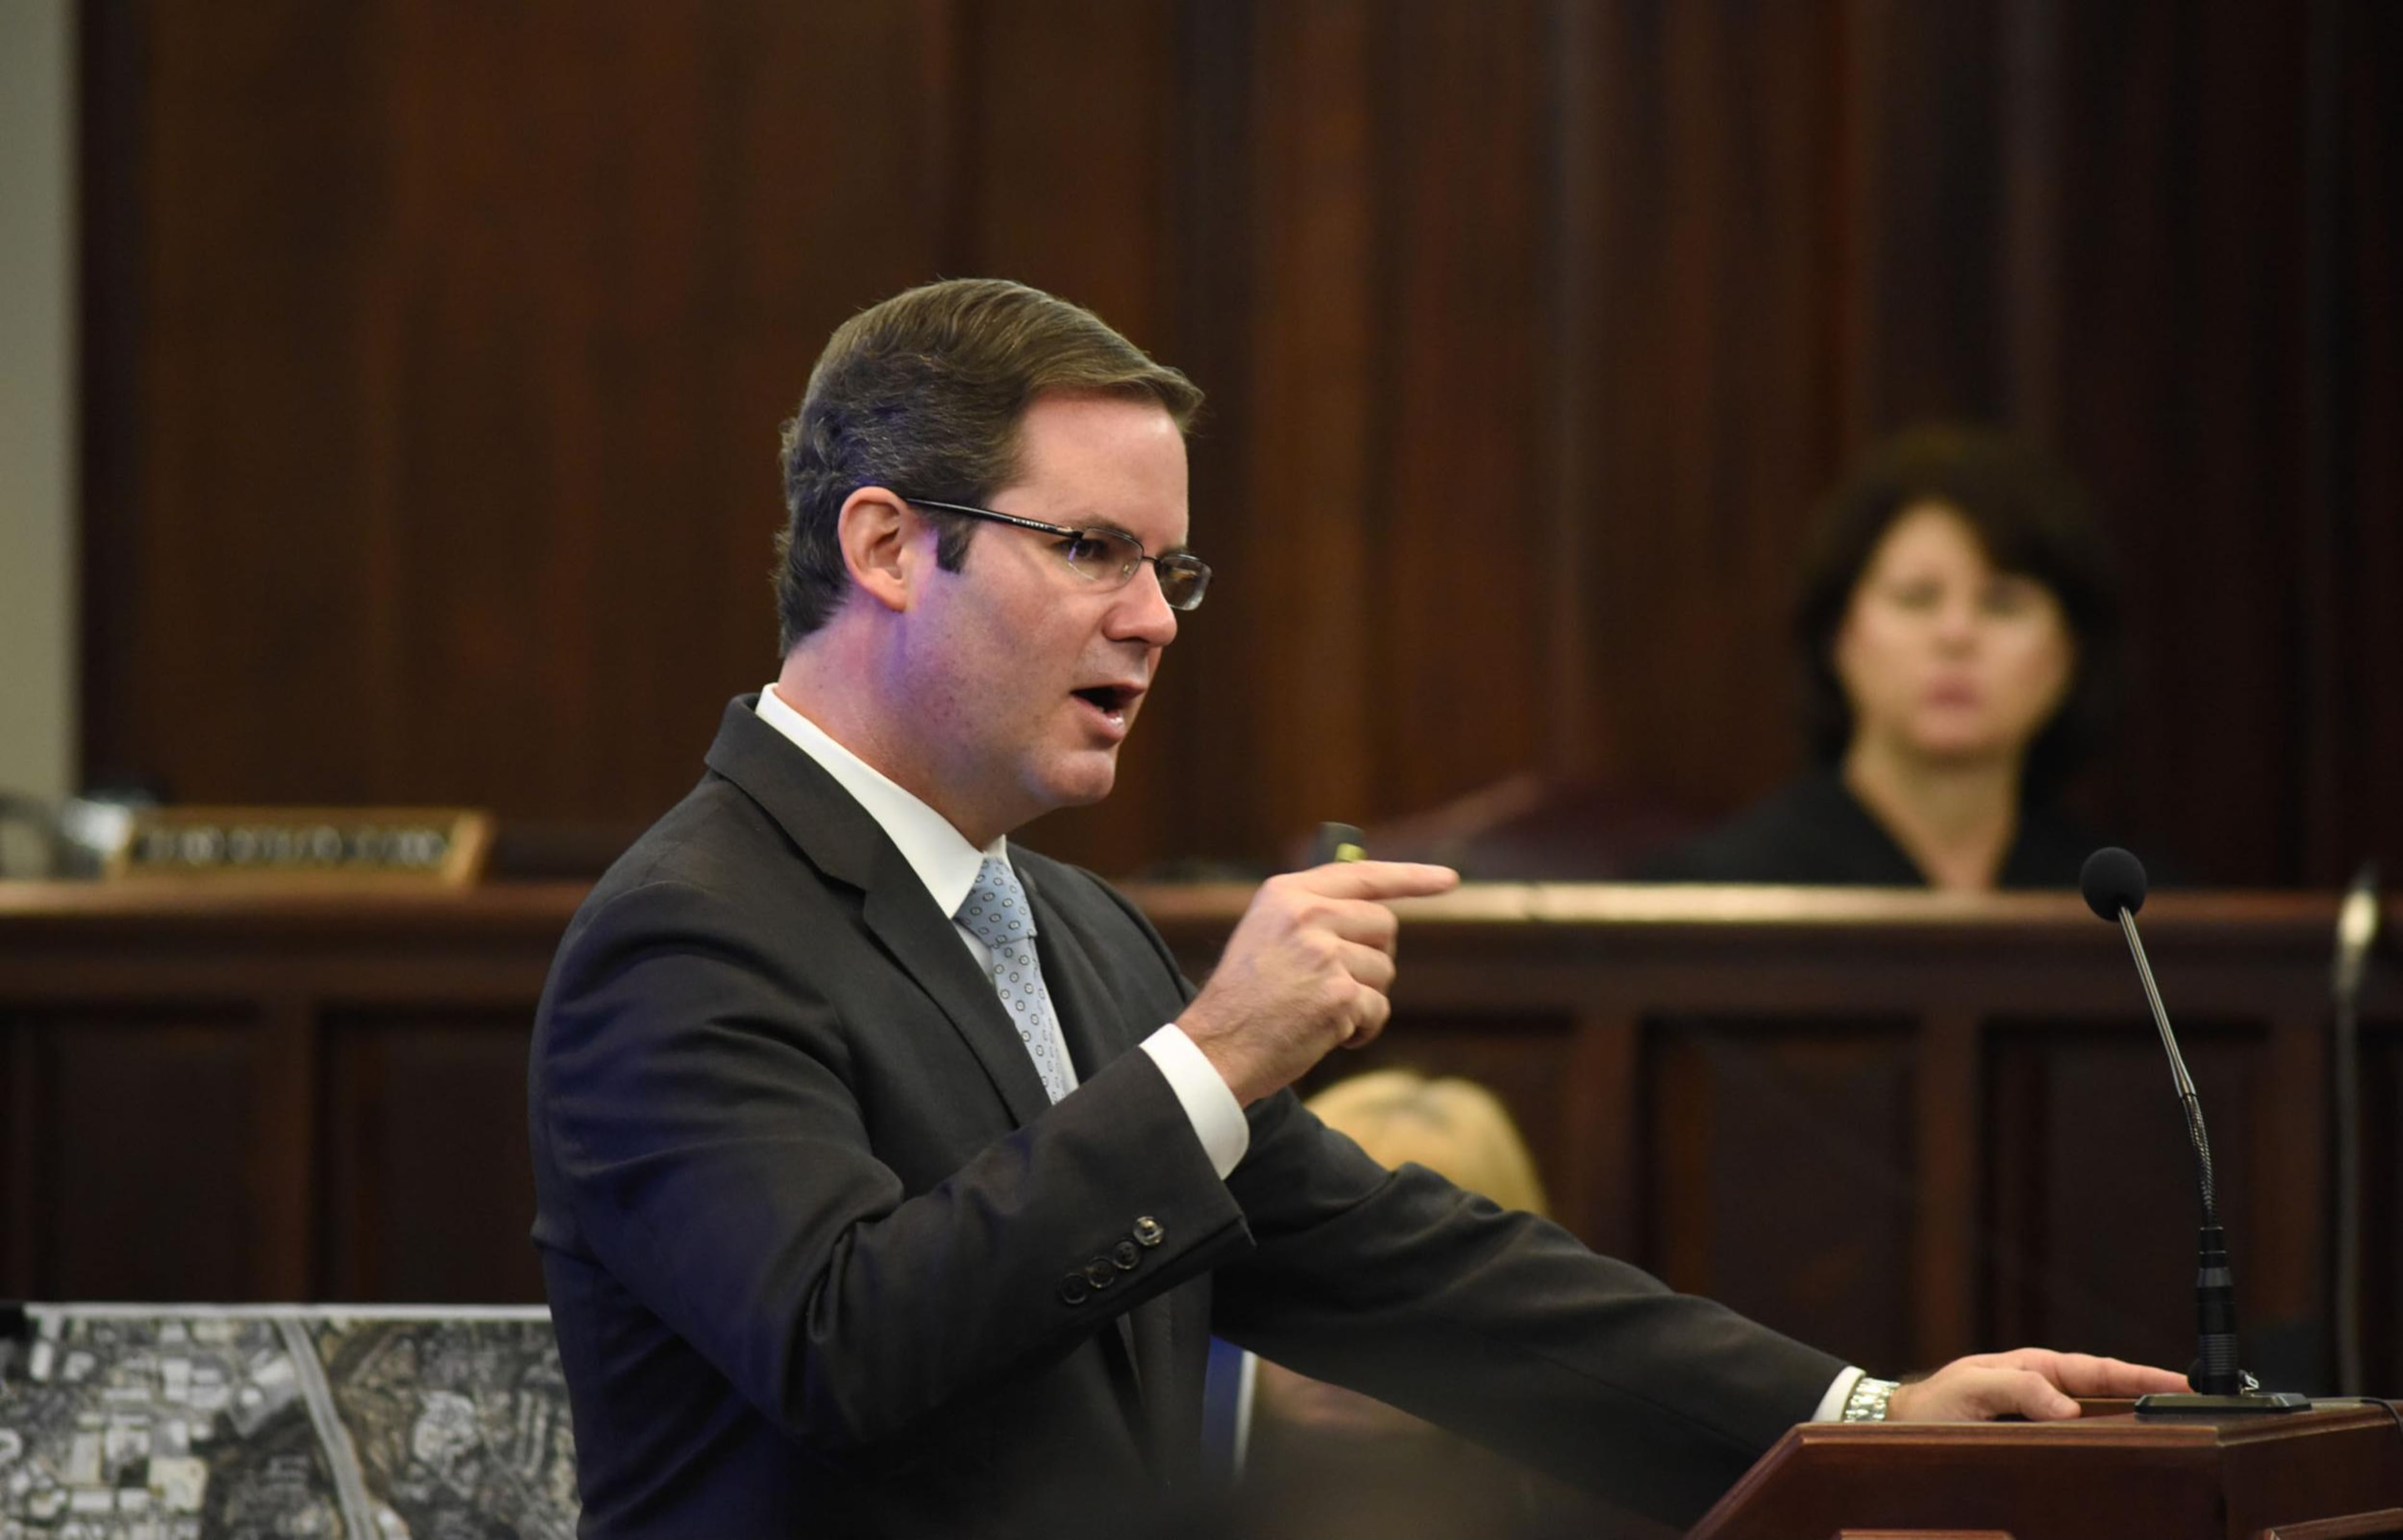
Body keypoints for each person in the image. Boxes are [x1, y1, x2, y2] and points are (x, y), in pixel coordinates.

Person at [527, 282, 2181, 1539]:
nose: (1154, 618)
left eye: (1170, 569)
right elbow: (843, 1343)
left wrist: (1864, 1415)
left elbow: (1416, 1274)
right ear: (887, 543)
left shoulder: (1081, 933)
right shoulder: (690, 931)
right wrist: (1212, 1060)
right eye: (1095, 548)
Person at [1642, 426, 2121, 890]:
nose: (1957, 635)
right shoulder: (1716, 897)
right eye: (1917, 598)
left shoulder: (2130, 914)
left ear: (2069, 649)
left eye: (2002, 603)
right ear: (1841, 635)